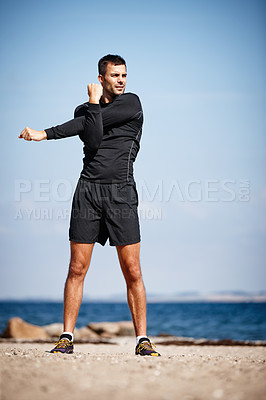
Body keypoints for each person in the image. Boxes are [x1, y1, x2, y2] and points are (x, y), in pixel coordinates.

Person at [19, 54, 160, 357]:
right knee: (77, 267)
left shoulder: (132, 103)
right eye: (115, 75)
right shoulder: (86, 110)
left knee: (132, 269)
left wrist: (45, 133)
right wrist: (93, 106)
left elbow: (87, 124)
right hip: (88, 192)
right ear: (101, 78)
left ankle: (142, 339)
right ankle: (67, 336)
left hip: (121, 193)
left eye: (124, 75)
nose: (121, 80)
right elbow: (93, 140)